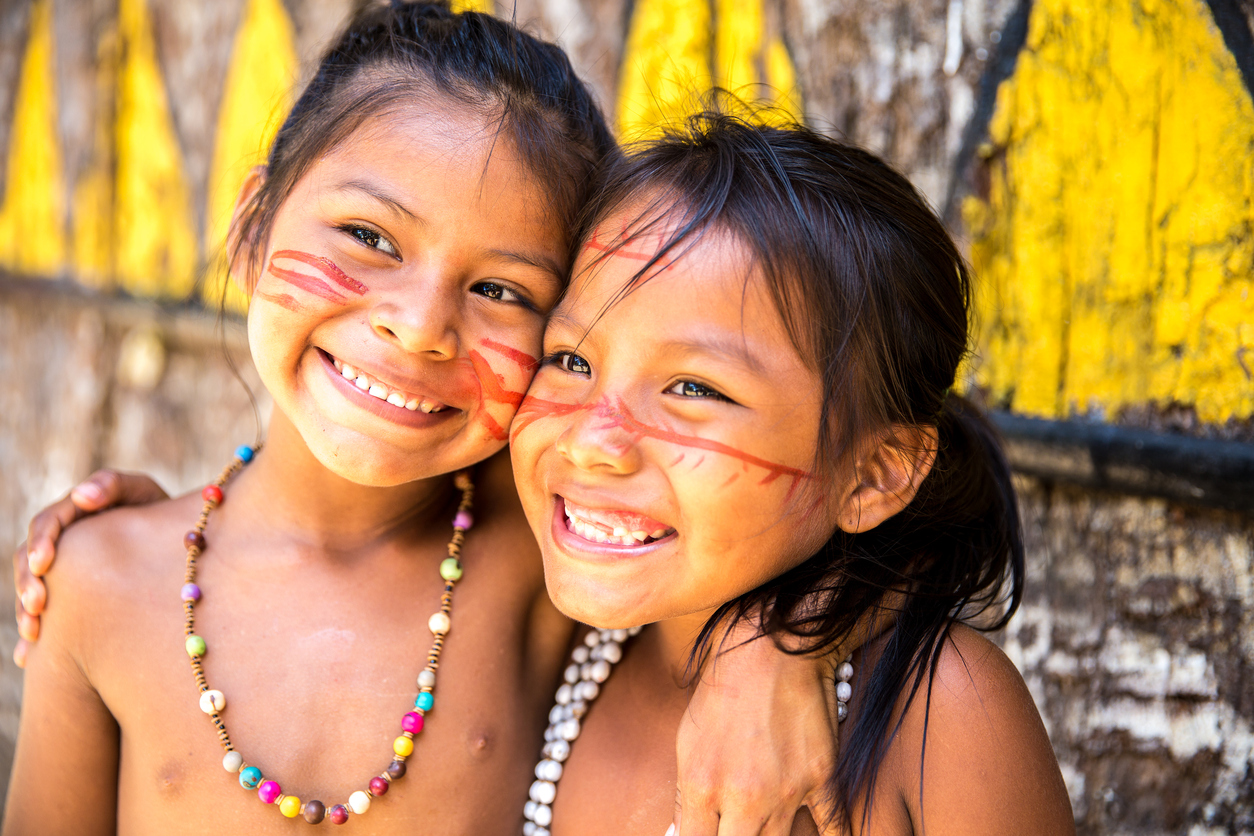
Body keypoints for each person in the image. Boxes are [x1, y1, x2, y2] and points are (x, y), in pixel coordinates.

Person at [3, 8, 837, 834]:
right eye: (368, 236)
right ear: (254, 227)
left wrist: (779, 645)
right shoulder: (98, 582)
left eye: (502, 292)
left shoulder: (555, 554)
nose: (420, 325)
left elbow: (894, 491)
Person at [507, 112, 1077, 834]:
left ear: (873, 477)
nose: (592, 441)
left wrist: (785, 637)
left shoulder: (943, 714)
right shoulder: (534, 642)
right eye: (572, 360)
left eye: (696, 389)